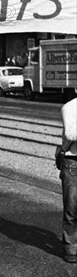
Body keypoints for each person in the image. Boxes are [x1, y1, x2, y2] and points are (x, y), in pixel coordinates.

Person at [60, 97, 77, 263]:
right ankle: (70, 247)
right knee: (71, 207)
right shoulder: (70, 107)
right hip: (73, 161)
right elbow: (70, 133)